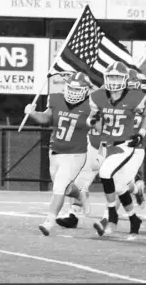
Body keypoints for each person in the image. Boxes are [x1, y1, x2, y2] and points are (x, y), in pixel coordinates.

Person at [54, 69, 146, 229]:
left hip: (125, 147)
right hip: (97, 144)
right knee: (80, 179)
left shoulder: (140, 102)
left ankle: (111, 215)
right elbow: (88, 111)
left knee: (117, 183)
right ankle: (73, 214)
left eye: (133, 87)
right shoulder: (101, 96)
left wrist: (145, 128)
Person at [88, 62, 146, 239]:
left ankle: (110, 217)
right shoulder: (99, 97)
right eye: (112, 78)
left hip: (131, 145)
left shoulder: (137, 97)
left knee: (106, 173)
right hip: (111, 144)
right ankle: (133, 218)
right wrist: (93, 120)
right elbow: (96, 124)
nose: (115, 82)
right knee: (119, 185)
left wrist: (141, 133)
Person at [24, 72, 93, 236]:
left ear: (85, 91)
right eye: (71, 89)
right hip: (55, 151)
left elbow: (96, 125)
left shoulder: (89, 107)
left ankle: (49, 222)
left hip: (75, 154)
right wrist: (33, 113)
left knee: (59, 186)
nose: (73, 93)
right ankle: (81, 195)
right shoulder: (55, 99)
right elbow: (45, 118)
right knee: (67, 188)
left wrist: (96, 124)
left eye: (78, 90)